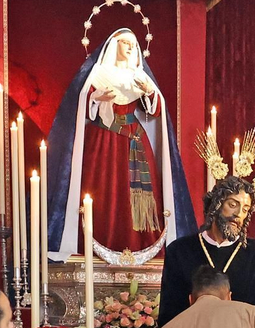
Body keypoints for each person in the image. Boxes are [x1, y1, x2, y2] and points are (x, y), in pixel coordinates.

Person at [45, 27, 198, 262]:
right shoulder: (97, 74)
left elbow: (156, 111)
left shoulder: (140, 76)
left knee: (134, 197)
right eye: (125, 43)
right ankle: (96, 249)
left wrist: (149, 93)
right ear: (114, 45)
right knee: (102, 191)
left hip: (134, 140)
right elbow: (78, 111)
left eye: (133, 44)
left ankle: (139, 250)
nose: (130, 47)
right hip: (103, 142)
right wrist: (95, 99)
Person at [157, 176, 255, 327]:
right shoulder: (179, 251)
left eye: (246, 209)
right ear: (216, 204)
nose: (239, 214)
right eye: (233, 204)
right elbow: (169, 314)